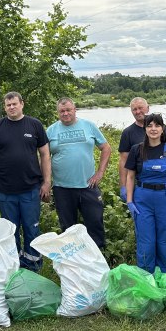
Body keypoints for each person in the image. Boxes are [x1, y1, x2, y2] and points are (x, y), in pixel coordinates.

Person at [0, 91, 51, 272]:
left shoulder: (34, 125)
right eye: (8, 105)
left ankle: (34, 265)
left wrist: (47, 182)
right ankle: (13, 265)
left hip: (31, 189)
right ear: (4, 107)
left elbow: (45, 154)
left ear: (22, 104)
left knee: (31, 228)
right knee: (10, 231)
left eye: (14, 104)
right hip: (5, 191)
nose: (11, 107)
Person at [124, 113, 166, 273]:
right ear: (145, 129)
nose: (153, 129)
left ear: (163, 128)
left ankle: (165, 275)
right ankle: (146, 278)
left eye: (157, 125)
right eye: (149, 125)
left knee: (165, 241)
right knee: (146, 242)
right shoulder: (136, 150)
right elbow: (130, 176)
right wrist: (130, 201)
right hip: (142, 200)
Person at [46, 97, 111, 248]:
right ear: (58, 113)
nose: (66, 113)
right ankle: (73, 260)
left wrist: (100, 172)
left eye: (69, 110)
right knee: (68, 228)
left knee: (95, 222)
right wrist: (46, 181)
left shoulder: (88, 126)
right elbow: (44, 157)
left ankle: (98, 257)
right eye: (62, 111)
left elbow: (106, 148)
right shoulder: (51, 130)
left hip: (88, 185)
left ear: (75, 110)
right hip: (62, 187)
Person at [118, 97, 166, 202]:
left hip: (164, 185)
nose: (138, 111)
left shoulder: (162, 128)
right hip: (141, 185)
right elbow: (123, 161)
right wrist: (123, 186)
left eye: (140, 108)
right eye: (134, 109)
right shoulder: (127, 133)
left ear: (147, 108)